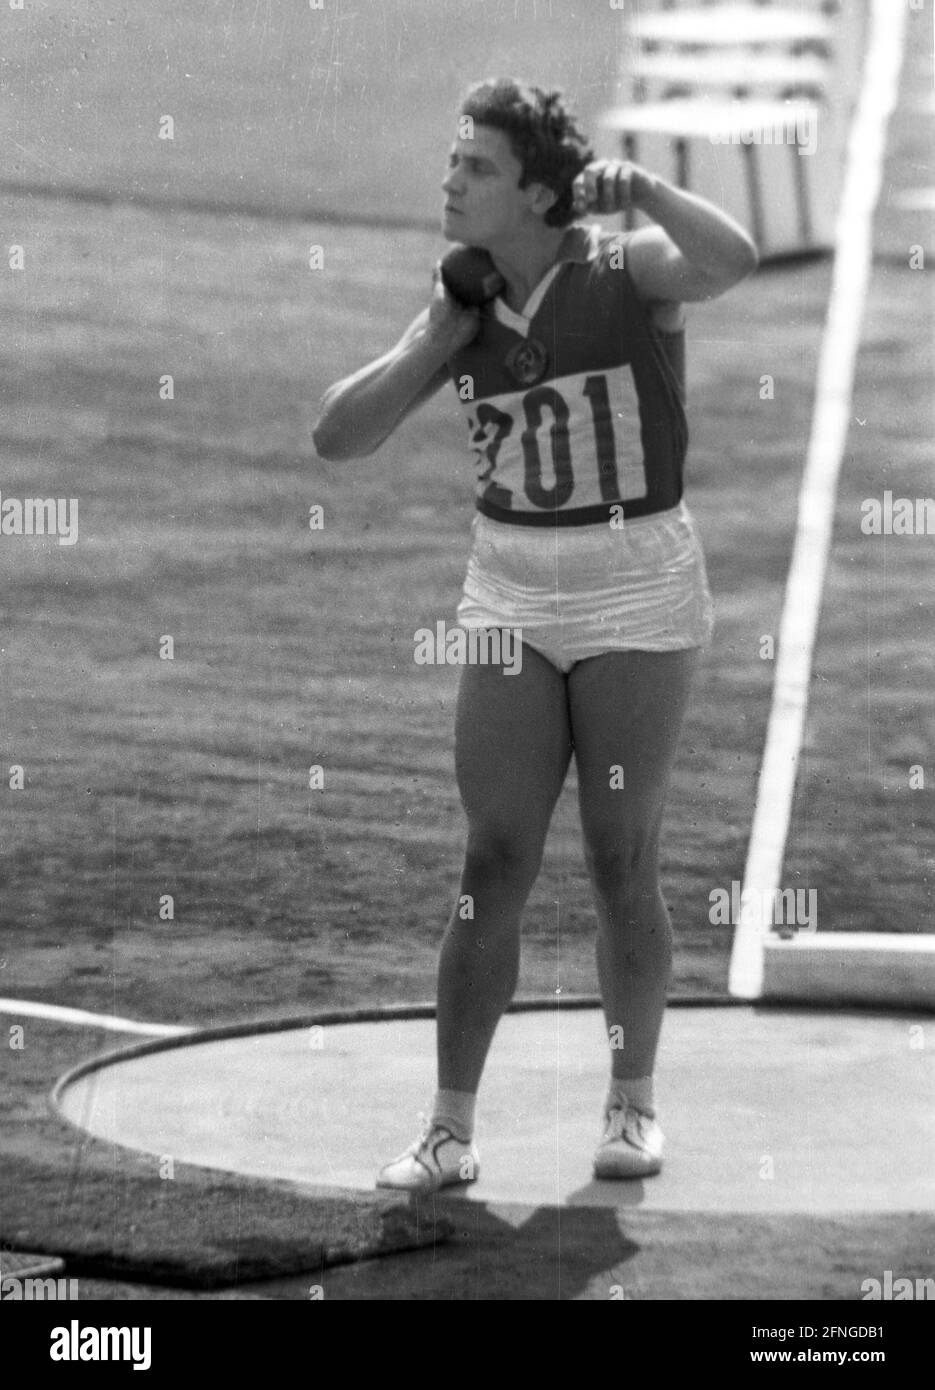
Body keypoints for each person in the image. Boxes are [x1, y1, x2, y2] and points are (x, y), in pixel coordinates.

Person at [313, 78, 758, 1190]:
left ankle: (631, 1105)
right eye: (453, 160)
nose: (450, 180)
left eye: (477, 168)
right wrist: (432, 337)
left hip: (636, 587)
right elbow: (336, 436)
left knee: (621, 858)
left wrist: (648, 185)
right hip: (510, 584)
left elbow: (732, 258)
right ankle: (448, 1129)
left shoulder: (623, 269)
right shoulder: (458, 302)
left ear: (536, 193)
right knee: (492, 858)